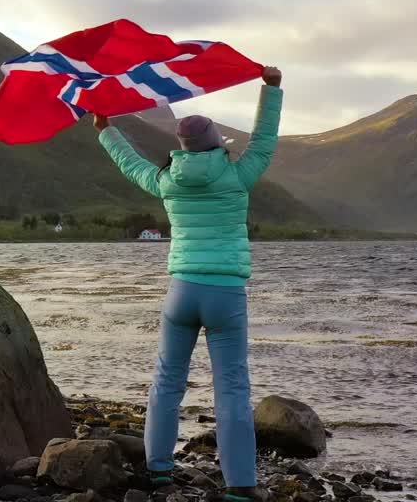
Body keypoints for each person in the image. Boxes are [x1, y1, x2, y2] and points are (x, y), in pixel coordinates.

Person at [92, 66, 283, 501]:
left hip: (181, 293)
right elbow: (265, 140)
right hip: (225, 295)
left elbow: (131, 164)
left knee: (166, 381)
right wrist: (271, 89)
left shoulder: (166, 182)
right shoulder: (237, 175)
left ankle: (159, 471)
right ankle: (239, 486)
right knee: (232, 387)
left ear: (182, 147)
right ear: (217, 143)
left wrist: (106, 130)